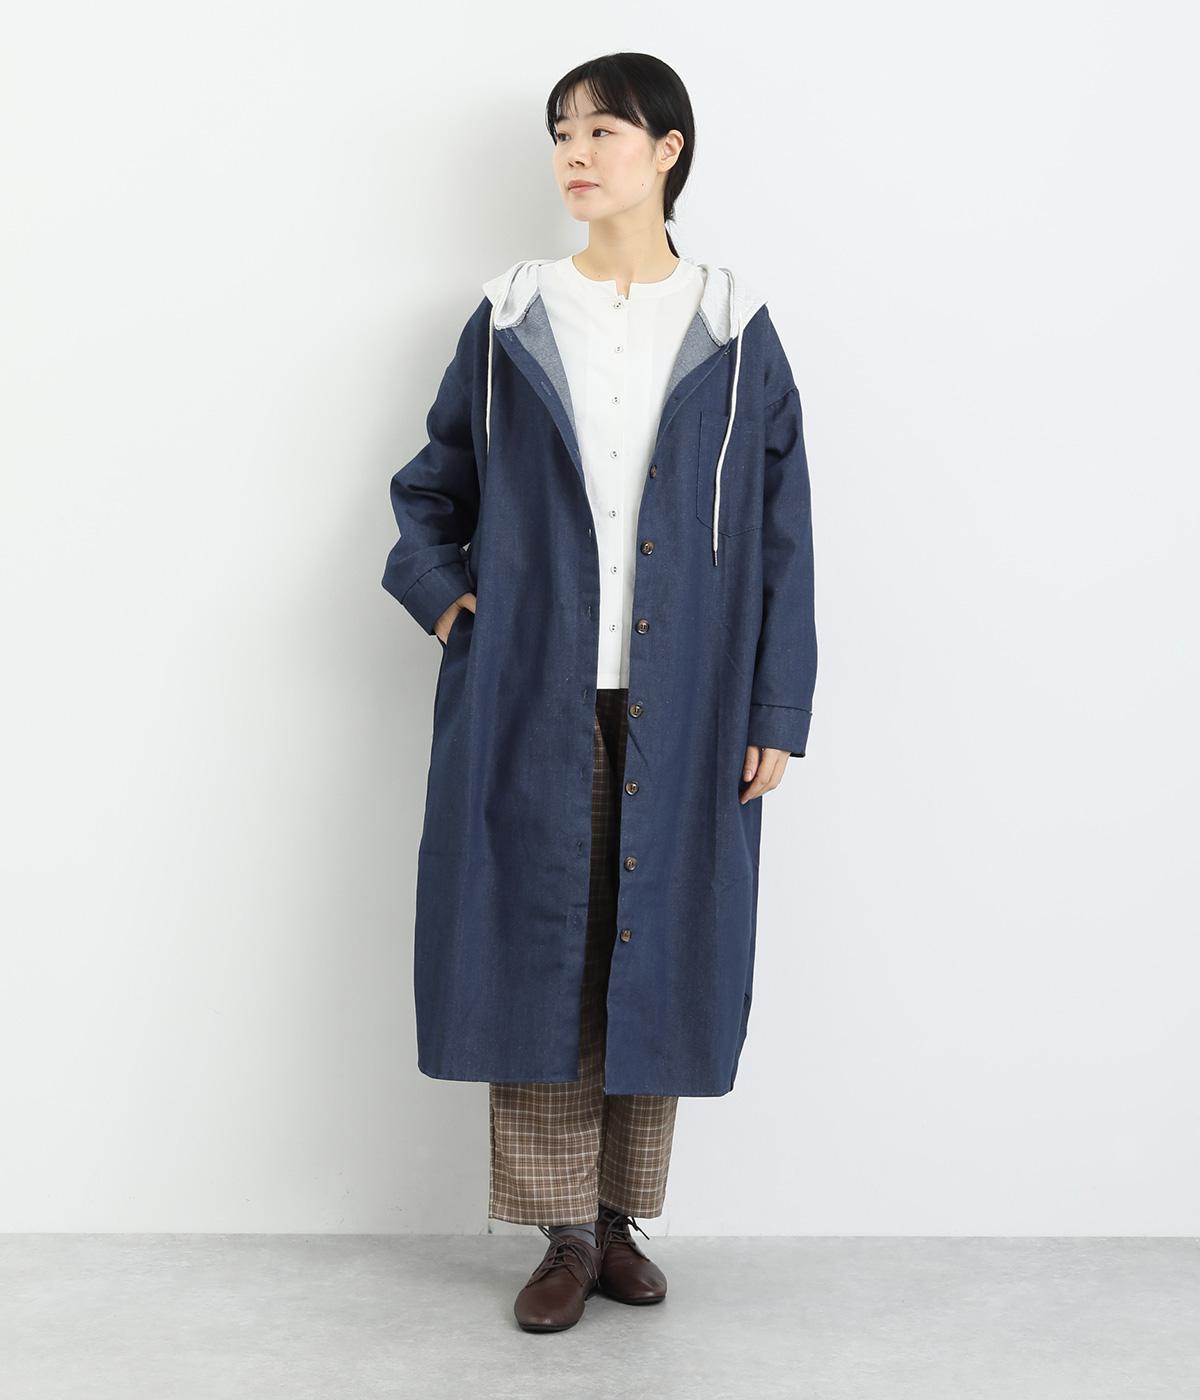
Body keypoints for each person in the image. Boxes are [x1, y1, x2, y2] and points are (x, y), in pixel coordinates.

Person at [381, 52, 817, 1333]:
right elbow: (429, 491)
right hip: (532, 694)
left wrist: (775, 710)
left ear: (668, 149)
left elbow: (786, 534)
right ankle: (561, 1232)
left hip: (689, 701)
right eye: (562, 132)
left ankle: (622, 1218)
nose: (575, 152)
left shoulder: (736, 329)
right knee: (543, 946)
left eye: (604, 130)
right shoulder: (513, 316)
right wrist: (450, 602)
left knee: (656, 943)